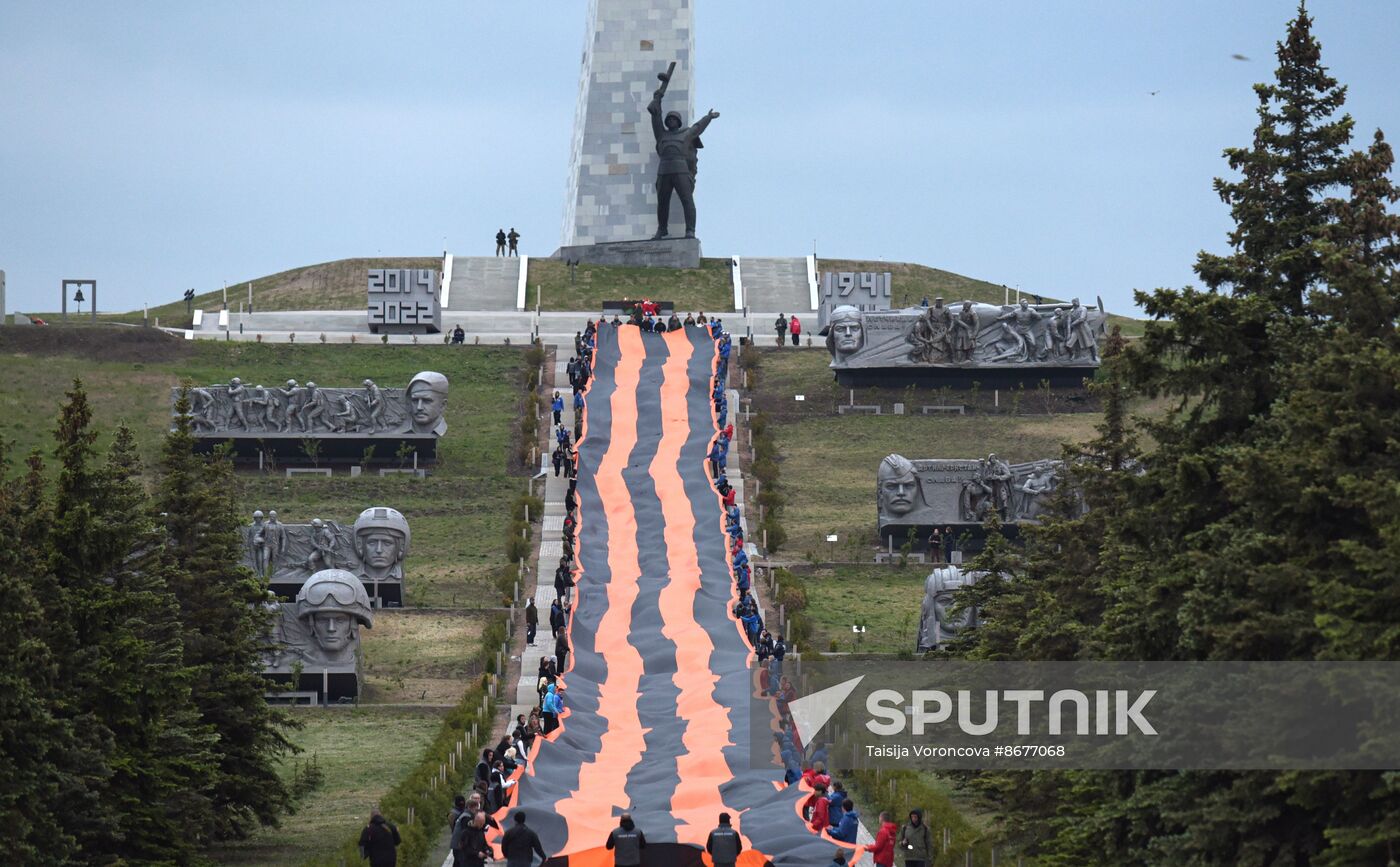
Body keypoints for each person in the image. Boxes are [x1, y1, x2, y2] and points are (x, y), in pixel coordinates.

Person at [648, 67, 718, 240]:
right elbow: (655, 115)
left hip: (680, 170)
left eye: (674, 119)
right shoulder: (661, 134)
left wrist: (708, 118)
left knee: (687, 200)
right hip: (664, 170)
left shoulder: (685, 134)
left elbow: (698, 128)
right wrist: (658, 97)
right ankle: (661, 229)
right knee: (662, 203)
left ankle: (690, 231)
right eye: (669, 119)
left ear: (678, 122)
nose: (671, 120)